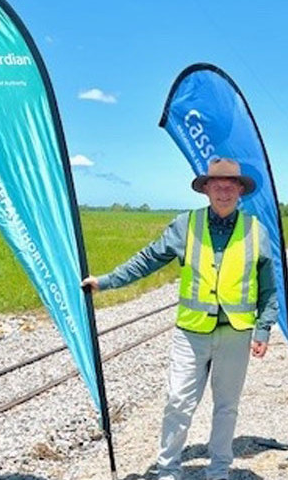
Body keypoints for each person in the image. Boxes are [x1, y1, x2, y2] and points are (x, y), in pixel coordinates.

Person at [82, 157, 278, 480]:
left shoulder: (257, 232)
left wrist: (264, 329)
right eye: (217, 185)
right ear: (206, 190)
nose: (224, 191)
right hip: (191, 333)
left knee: (226, 407)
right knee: (177, 402)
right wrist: (106, 281)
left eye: (231, 185)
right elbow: (148, 259)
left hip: (236, 335)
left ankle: (218, 471)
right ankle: (168, 471)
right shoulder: (186, 225)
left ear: (240, 191)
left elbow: (269, 289)